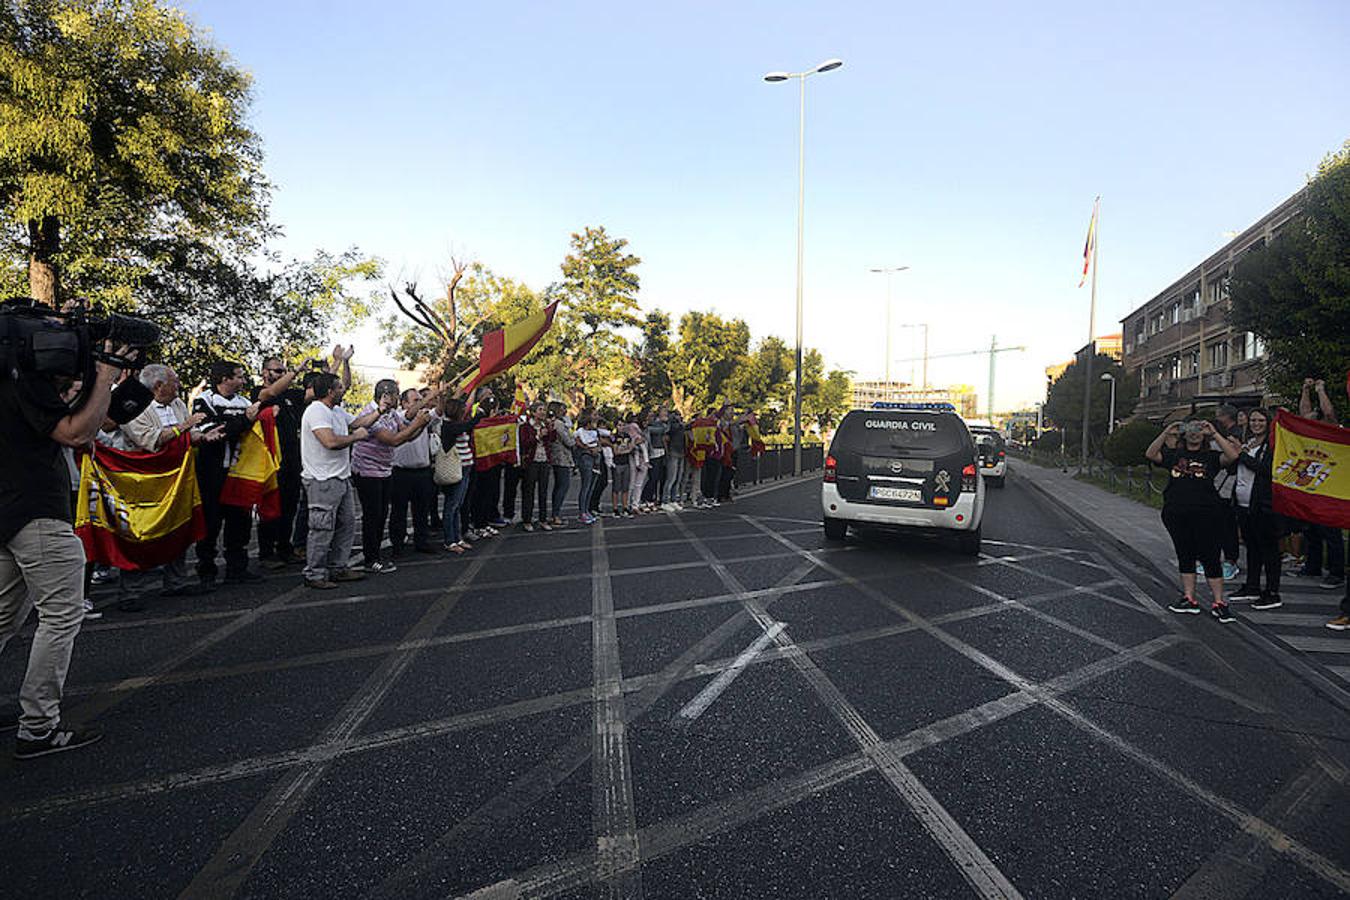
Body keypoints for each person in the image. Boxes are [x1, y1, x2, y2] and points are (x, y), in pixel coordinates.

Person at [1, 329, 124, 758]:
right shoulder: (25, 381)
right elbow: (76, 434)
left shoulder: (8, 380)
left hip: (7, 513)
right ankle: (38, 727)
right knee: (60, 618)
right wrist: (106, 374)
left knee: (2, 617)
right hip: (37, 513)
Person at [116, 364, 219, 609]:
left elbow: (189, 433)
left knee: (178, 527)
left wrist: (204, 437)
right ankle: (130, 593)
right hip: (144, 480)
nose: (179, 386)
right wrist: (184, 427)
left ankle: (175, 582)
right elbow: (147, 440)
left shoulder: (178, 404)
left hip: (177, 477)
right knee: (140, 533)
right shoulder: (133, 405)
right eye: (174, 382)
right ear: (158, 386)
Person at [1145, 417, 1241, 620]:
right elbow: (1151, 453)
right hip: (1177, 513)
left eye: (1199, 430)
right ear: (1184, 433)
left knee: (1210, 556)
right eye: (1190, 429)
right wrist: (1166, 432)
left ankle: (1219, 602)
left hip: (1207, 513)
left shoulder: (1211, 456)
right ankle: (1189, 598)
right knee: (1185, 554)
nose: (1195, 433)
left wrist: (1214, 433)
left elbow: (1232, 456)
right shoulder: (1175, 455)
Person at [299, 372, 372, 589]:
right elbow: (330, 442)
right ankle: (314, 573)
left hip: (341, 477)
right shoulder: (316, 411)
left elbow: (359, 422)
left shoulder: (336, 410)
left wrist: (381, 411)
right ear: (330, 391)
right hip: (322, 479)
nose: (344, 389)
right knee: (322, 529)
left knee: (347, 524)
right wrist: (356, 438)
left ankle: (339, 568)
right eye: (340, 387)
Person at [192, 360, 263, 585]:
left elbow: (250, 430)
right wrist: (243, 421)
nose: (243, 381)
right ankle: (206, 571)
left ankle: (237, 568)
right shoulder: (205, 399)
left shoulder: (245, 402)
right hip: (212, 472)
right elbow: (213, 433)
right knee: (210, 523)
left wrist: (239, 423)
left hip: (240, 471)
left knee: (240, 522)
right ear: (225, 379)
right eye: (239, 376)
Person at [351, 379, 431, 574]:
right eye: (396, 395)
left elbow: (407, 435)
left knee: (381, 514)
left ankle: (376, 554)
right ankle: (371, 558)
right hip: (367, 470)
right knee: (373, 515)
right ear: (386, 396)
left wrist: (420, 425)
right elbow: (394, 440)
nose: (398, 398)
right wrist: (418, 423)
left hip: (385, 469)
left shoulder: (392, 414)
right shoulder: (371, 415)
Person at [251, 354, 320, 569]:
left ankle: (284, 547)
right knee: (271, 506)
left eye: (284, 371)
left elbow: (318, 391)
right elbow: (271, 392)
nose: (283, 374)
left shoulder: (291, 395)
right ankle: (266, 552)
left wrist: (337, 364)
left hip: (291, 459)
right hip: (270, 459)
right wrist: (296, 370)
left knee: (289, 505)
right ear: (264, 372)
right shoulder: (258, 393)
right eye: (277, 371)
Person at [1228, 408, 1283, 610]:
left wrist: (1241, 455)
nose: (1256, 424)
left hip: (1263, 505)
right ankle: (1252, 586)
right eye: (1253, 420)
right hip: (1243, 503)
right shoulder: (1250, 443)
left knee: (1269, 549)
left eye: (1260, 420)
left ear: (1267, 422)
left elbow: (1267, 470)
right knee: (1252, 547)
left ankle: (1272, 591)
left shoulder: (1272, 445)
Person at [1297, 378, 1345, 589]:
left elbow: (1329, 414)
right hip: (1311, 486)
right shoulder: (1308, 434)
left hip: (1330, 488)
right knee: (1311, 529)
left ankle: (1336, 572)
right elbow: (1304, 413)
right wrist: (1305, 390)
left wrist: (1320, 390)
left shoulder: (1332, 433)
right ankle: (1313, 565)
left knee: (1331, 532)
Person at [388, 387, 441, 556]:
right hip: (401, 472)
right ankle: (397, 544)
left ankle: (422, 541)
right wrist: (427, 399)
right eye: (416, 400)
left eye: (421, 399)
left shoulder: (424, 416)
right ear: (404, 403)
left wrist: (442, 396)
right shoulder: (399, 416)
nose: (420, 403)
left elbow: (439, 411)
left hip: (422, 471)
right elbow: (410, 415)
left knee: (421, 510)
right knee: (399, 512)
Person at [439, 396, 479, 553]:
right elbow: (467, 426)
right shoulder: (448, 426)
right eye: (462, 410)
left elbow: (466, 427)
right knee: (452, 506)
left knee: (458, 505)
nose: (464, 412)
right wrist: (478, 416)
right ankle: (449, 540)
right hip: (456, 469)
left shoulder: (457, 425)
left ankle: (457, 538)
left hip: (466, 468)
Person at [1208, 404, 1242, 582]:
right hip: (1220, 484)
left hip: (1229, 484)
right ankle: (1222, 557)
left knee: (1227, 525)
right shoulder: (1225, 435)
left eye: (1218, 416)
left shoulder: (1234, 434)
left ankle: (1230, 560)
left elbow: (1232, 457)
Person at [518, 402, 554, 531]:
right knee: (529, 491)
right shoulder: (525, 427)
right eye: (540, 410)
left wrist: (550, 429)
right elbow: (525, 443)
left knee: (543, 491)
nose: (543, 412)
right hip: (531, 461)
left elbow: (551, 440)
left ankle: (543, 519)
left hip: (544, 460)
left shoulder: (545, 426)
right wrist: (538, 436)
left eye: (544, 410)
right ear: (533, 412)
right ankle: (527, 519)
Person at [547, 401, 575, 527]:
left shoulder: (557, 423)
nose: (565, 411)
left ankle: (555, 514)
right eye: (563, 409)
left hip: (558, 457)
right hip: (561, 457)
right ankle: (555, 515)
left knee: (559, 486)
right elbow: (568, 441)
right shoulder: (558, 424)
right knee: (563, 486)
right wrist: (573, 439)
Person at [574, 412, 601, 525]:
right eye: (593, 421)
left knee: (591, 486)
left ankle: (586, 510)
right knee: (586, 485)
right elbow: (579, 443)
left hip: (595, 459)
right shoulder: (580, 432)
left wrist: (597, 449)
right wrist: (589, 449)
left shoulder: (594, 432)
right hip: (586, 458)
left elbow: (598, 443)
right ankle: (582, 512)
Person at [663, 409, 686, 511]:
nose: (679, 417)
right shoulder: (672, 425)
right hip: (673, 452)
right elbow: (666, 437)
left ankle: (673, 500)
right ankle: (665, 501)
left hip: (681, 452)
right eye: (676, 415)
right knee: (671, 478)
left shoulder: (680, 425)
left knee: (678, 478)